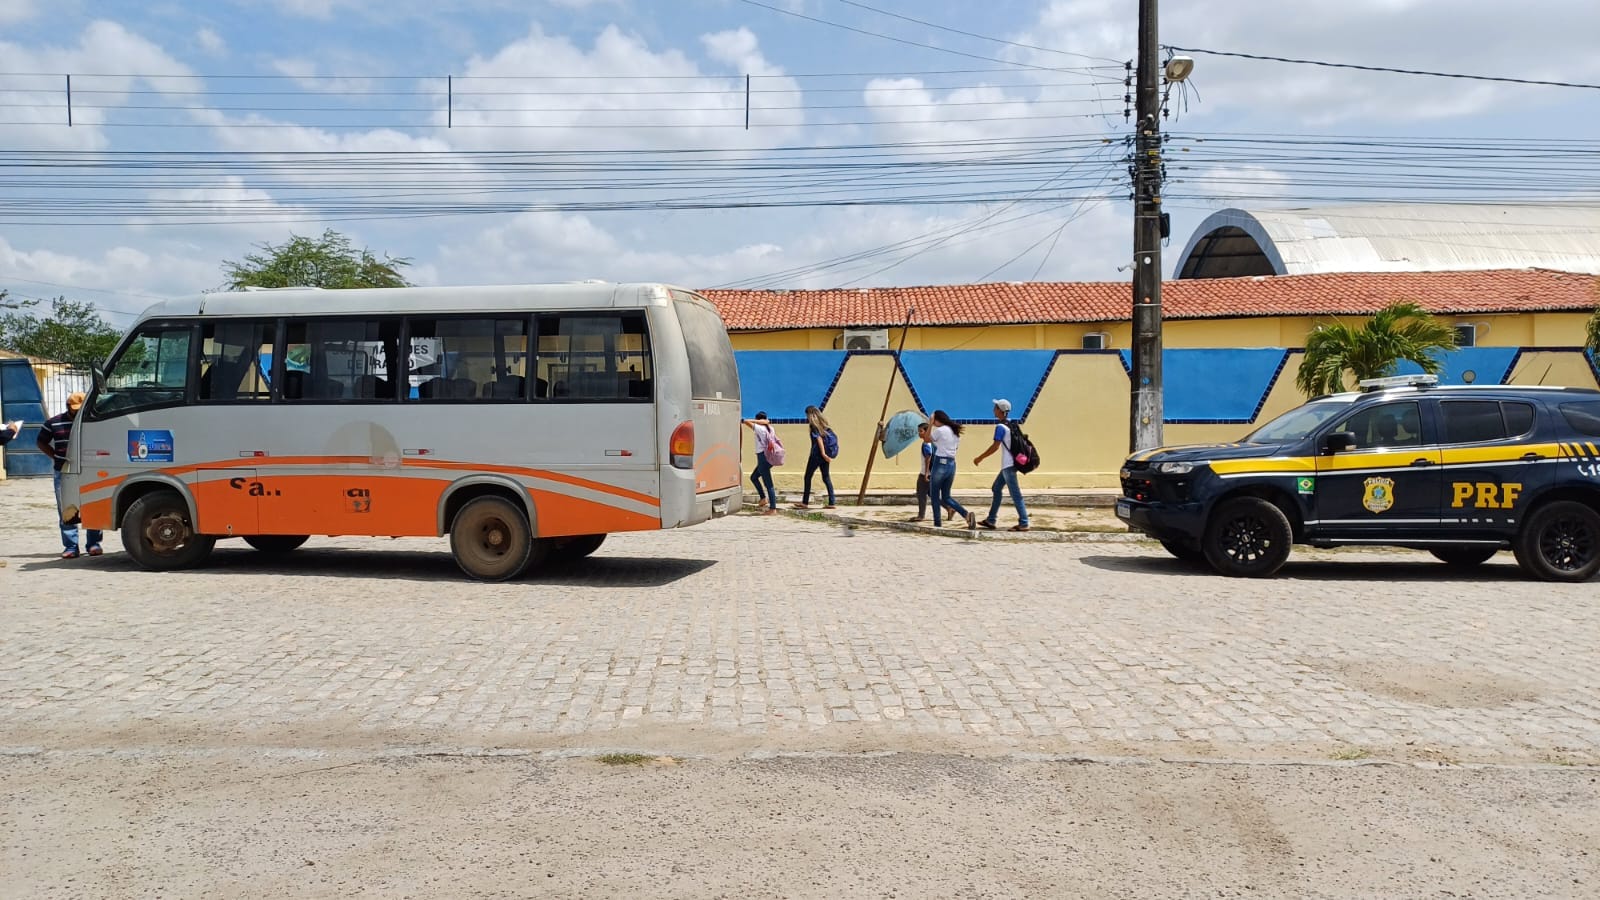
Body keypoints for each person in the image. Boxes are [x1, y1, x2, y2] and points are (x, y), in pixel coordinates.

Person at [37, 392, 103, 558]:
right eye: (74, 409)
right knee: (66, 509)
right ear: (68, 407)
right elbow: (41, 441)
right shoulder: (54, 423)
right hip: (63, 471)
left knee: (92, 505)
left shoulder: (93, 422)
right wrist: (55, 456)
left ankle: (94, 544)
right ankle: (71, 546)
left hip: (89, 471)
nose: (77, 412)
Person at [974, 398, 1031, 532]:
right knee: (996, 488)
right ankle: (991, 519)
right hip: (1011, 465)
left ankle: (1024, 522)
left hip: (1008, 466)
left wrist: (980, 458)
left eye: (995, 407)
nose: (993, 410)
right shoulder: (1011, 424)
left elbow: (995, 446)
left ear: (1000, 410)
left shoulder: (1000, 427)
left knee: (1015, 494)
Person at [925, 409, 975, 529]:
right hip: (951, 464)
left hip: (940, 463)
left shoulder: (940, 431)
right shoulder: (955, 432)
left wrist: (930, 424)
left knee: (934, 494)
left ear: (937, 420)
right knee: (946, 496)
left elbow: (926, 439)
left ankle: (937, 524)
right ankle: (966, 515)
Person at [792, 405, 836, 510]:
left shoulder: (813, 427)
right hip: (824, 456)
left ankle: (805, 502)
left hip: (816, 455)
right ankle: (832, 502)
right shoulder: (825, 426)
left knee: (807, 477)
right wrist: (826, 455)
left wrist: (823, 454)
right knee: (826, 478)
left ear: (809, 415)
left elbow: (819, 440)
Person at [741, 411, 778, 515]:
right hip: (768, 457)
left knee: (768, 483)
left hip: (763, 457)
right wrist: (765, 422)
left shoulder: (760, 428)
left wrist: (759, 422)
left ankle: (773, 508)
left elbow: (746, 421)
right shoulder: (771, 428)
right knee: (754, 477)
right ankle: (763, 498)